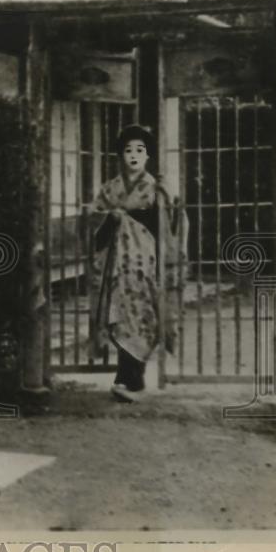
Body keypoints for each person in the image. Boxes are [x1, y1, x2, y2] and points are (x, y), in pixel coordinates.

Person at [89, 125, 185, 402]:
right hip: (117, 265)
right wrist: (111, 218)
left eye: (139, 151)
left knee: (145, 317)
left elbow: (170, 225)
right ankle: (127, 379)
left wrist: (161, 205)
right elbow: (94, 221)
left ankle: (134, 378)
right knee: (121, 318)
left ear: (147, 156)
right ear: (121, 156)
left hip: (146, 263)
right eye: (128, 150)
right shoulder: (110, 189)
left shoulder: (156, 189)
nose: (133, 155)